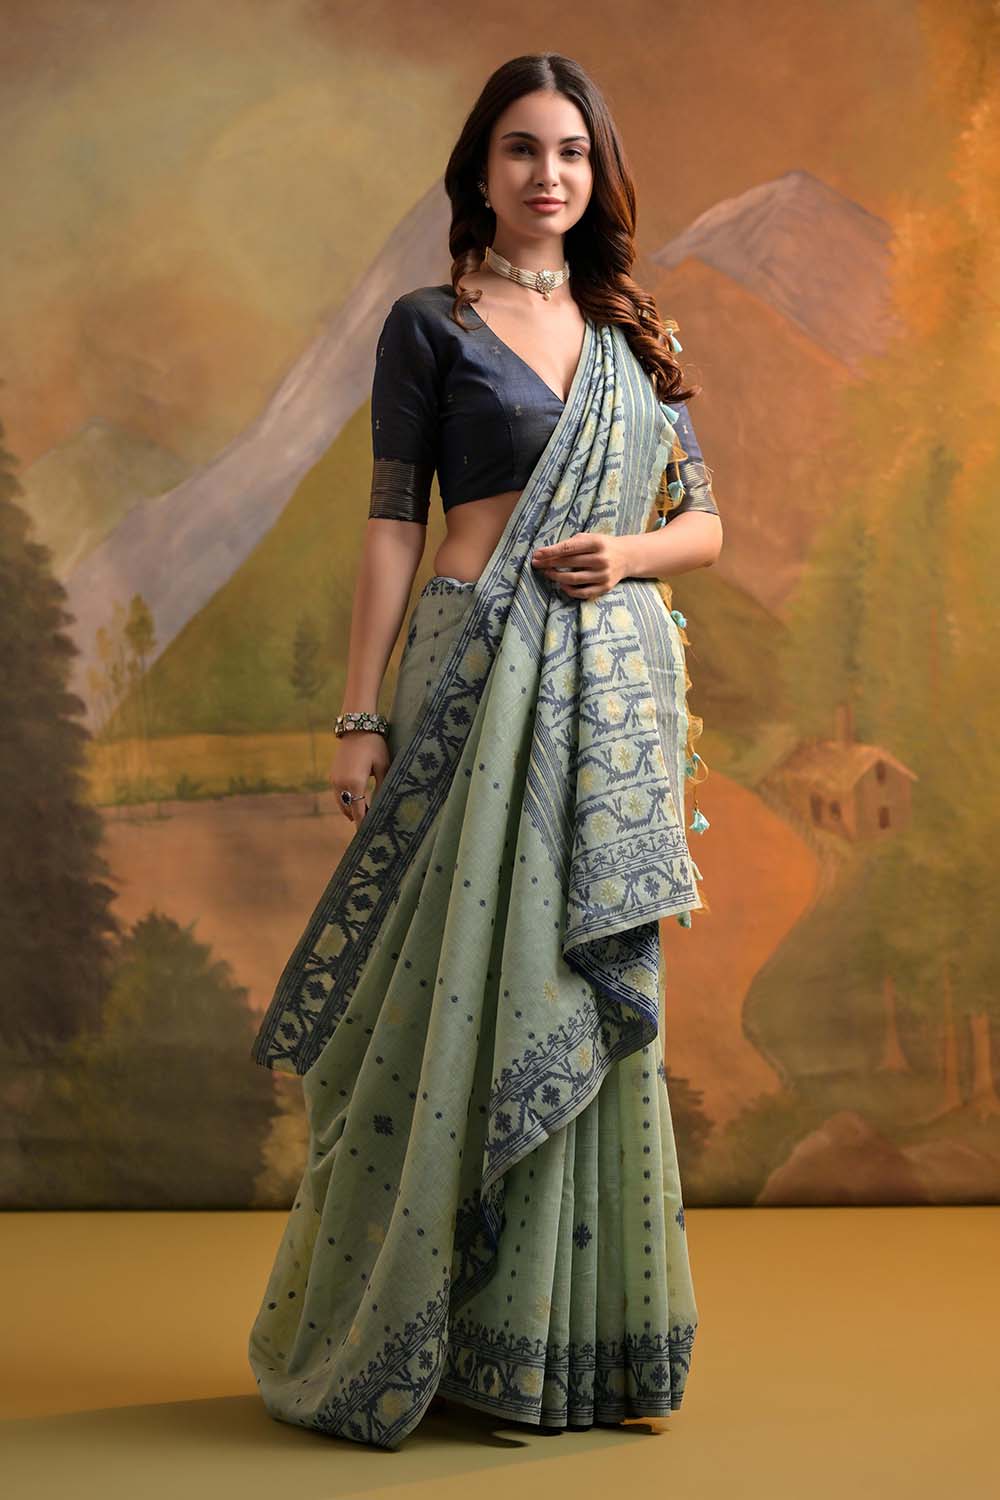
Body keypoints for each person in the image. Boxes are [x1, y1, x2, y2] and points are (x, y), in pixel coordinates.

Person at [247, 52, 723, 1451]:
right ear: (480, 171)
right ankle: (415, 1330)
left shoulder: (633, 333)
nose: (547, 174)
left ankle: (572, 1352)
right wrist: (359, 714)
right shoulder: (429, 325)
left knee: (574, 978)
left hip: (605, 698)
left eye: (571, 151)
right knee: (457, 980)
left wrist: (625, 552)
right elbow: (393, 520)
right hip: (471, 675)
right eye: (522, 149)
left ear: (598, 174)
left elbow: (705, 524)